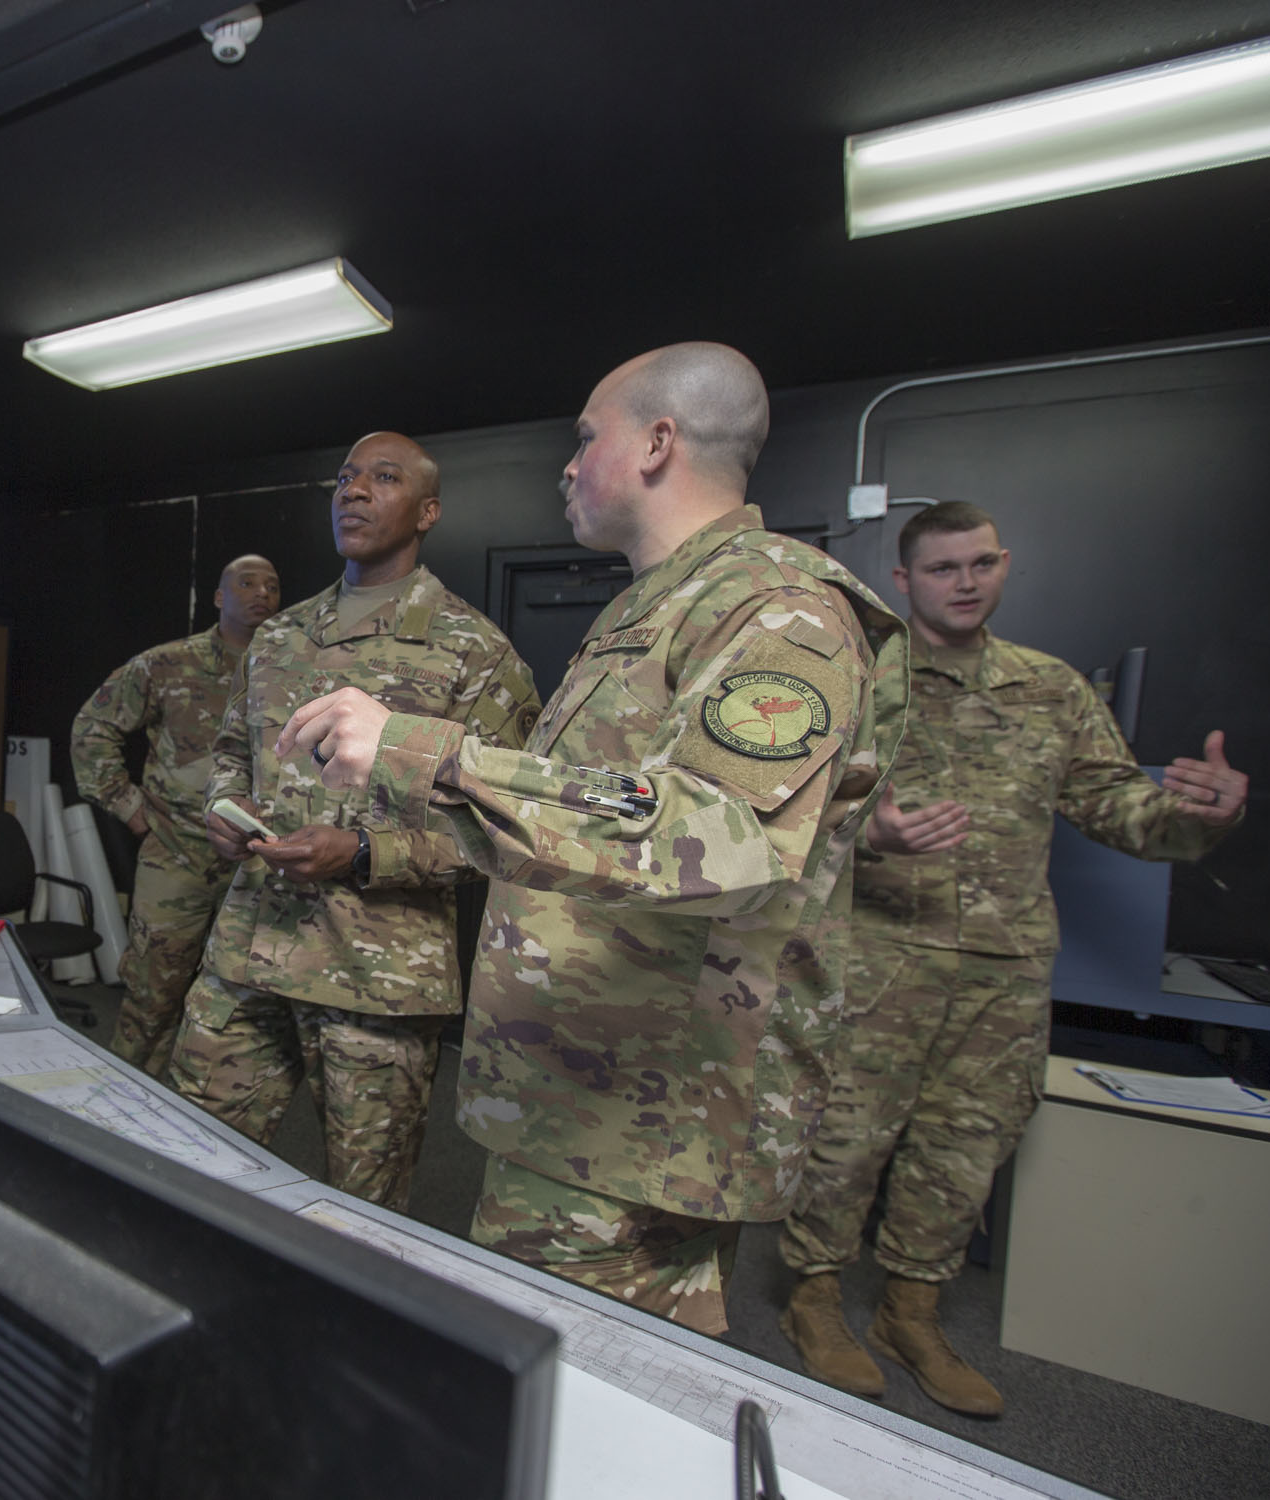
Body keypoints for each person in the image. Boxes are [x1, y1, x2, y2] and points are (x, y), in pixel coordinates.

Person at [274, 344, 907, 1335]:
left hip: (646, 1119)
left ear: (659, 442)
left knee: (589, 1404)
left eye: (584, 437)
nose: (566, 466)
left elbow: (723, 833)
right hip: (582, 1092)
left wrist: (425, 755)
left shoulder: (779, 609)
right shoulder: (656, 609)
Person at [774, 500, 1247, 1416]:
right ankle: (814, 1299)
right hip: (879, 956)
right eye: (943, 568)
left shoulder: (1053, 690)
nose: (965, 582)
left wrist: (1203, 817)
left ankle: (912, 1311)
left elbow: (1119, 810)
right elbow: (788, 804)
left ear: (1003, 566)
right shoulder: (860, 681)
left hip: (1005, 968)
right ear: (905, 581)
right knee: (843, 1142)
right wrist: (872, 833)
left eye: (981, 563)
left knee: (964, 1151)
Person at [168, 431, 541, 1211]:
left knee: (364, 1212)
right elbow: (234, 751)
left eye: (383, 477)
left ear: (428, 510)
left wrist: (366, 852)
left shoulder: (476, 652)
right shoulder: (279, 636)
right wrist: (222, 811)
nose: (354, 491)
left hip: (379, 980)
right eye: (343, 478)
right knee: (189, 1164)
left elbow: (505, 829)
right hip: (250, 953)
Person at [70, 555, 282, 1075]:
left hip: (258, 864)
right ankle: (123, 1105)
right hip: (178, 854)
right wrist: (130, 808)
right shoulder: (166, 664)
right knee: (152, 993)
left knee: (248, 1006)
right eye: (247, 583)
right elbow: (92, 728)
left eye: (273, 587)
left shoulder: (288, 672)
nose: (262, 593)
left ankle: (202, 1124)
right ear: (218, 596)